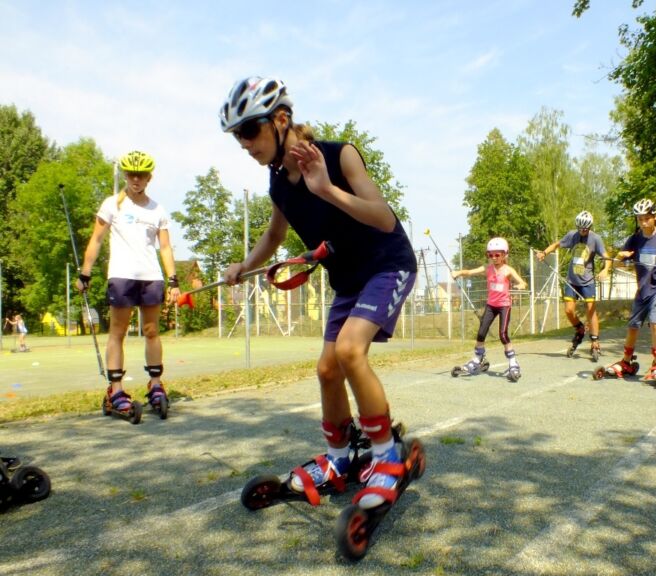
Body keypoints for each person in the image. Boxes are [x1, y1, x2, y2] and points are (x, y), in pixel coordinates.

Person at [219, 76, 417, 510]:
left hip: (388, 264)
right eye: (239, 136)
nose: (245, 144)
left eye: (250, 131)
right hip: (347, 279)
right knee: (327, 370)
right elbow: (273, 236)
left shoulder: (338, 154)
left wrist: (326, 189)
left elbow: (384, 219)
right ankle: (340, 457)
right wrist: (244, 266)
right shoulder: (277, 185)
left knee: (349, 352)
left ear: (281, 120)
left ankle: (387, 455)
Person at [75, 151, 180, 416]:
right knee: (118, 333)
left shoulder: (157, 209)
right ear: (125, 175)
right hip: (121, 276)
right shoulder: (112, 205)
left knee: (152, 331)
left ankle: (156, 385)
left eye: (141, 175)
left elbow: (165, 248)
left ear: (149, 177)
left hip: (151, 277)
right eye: (131, 174)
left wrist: (173, 280)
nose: (136, 179)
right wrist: (85, 273)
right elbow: (96, 239)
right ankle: (116, 390)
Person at [600, 198, 656, 381]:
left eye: (647, 218)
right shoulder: (635, 239)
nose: (643, 222)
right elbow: (618, 262)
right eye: (640, 219)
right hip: (643, 289)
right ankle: (626, 361)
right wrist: (619, 256)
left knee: (655, 319)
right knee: (633, 325)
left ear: (655, 216)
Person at [535, 211, 610, 359]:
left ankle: (595, 341)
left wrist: (606, 269)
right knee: (569, 311)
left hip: (587, 281)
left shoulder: (596, 239)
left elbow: (606, 257)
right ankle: (580, 329)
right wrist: (544, 252)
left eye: (586, 229)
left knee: (591, 310)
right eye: (580, 228)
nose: (583, 231)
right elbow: (557, 244)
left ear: (590, 227)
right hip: (571, 280)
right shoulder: (572, 235)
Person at [451, 237, 528, 378]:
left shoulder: (508, 270)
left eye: (497, 254)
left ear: (505, 254)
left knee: (503, 334)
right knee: (481, 333)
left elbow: (523, 283)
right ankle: (478, 359)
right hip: (491, 305)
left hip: (504, 306)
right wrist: (458, 273)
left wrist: (520, 285)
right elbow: (469, 272)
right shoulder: (488, 268)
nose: (494, 257)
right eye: (490, 255)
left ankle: (513, 363)